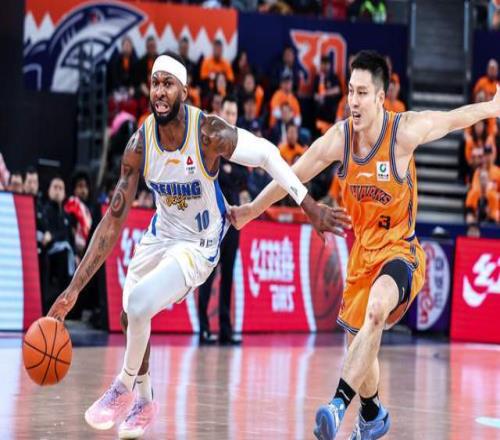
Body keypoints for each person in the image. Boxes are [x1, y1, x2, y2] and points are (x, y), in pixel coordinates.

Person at [48, 52, 344, 439]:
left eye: (168, 84)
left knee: (139, 305)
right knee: (129, 316)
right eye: (155, 83)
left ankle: (122, 385)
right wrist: (73, 289)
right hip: (161, 233)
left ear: (184, 91)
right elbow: (112, 221)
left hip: (199, 242)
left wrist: (308, 205)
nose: (159, 91)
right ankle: (145, 399)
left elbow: (267, 154)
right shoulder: (140, 144)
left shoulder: (208, 133)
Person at [230, 50, 500, 440]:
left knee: (376, 310)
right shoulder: (341, 138)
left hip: (401, 251)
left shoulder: (403, 132)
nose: (352, 101)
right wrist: (252, 210)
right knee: (360, 344)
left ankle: (337, 406)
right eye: (349, 92)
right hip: (362, 258)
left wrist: (491, 108)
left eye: (361, 93)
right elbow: (292, 175)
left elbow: (452, 119)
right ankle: (372, 413)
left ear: (380, 97)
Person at [198, 96, 248, 345]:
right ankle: (204, 329)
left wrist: (231, 175)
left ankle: (226, 330)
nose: (230, 117)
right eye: (227, 112)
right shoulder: (211, 143)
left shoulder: (239, 149)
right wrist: (231, 176)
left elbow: (243, 179)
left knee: (228, 275)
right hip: (213, 220)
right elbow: (217, 178)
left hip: (234, 221)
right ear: (221, 113)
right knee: (208, 273)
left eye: (234, 113)